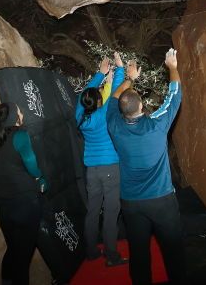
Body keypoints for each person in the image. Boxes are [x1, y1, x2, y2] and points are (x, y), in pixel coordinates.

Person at [106, 48, 187, 285]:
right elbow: (175, 95)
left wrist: (129, 79)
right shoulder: (157, 126)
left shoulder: (114, 125)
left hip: (131, 203)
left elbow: (113, 98)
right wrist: (172, 66)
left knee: (139, 252)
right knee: (173, 251)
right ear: (141, 106)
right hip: (162, 200)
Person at [75, 52, 129, 267]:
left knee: (92, 210)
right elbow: (116, 92)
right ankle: (112, 255)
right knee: (111, 211)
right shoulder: (103, 114)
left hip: (91, 171)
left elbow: (82, 97)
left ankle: (90, 251)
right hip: (110, 169)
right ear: (99, 101)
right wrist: (119, 68)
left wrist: (100, 73)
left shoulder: (79, 115)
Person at [0, 102, 48, 285]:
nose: (22, 113)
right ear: (15, 117)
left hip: (3, 205)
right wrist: (40, 177)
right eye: (20, 111)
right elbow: (31, 162)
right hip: (24, 204)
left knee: (12, 250)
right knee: (23, 258)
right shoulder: (20, 136)